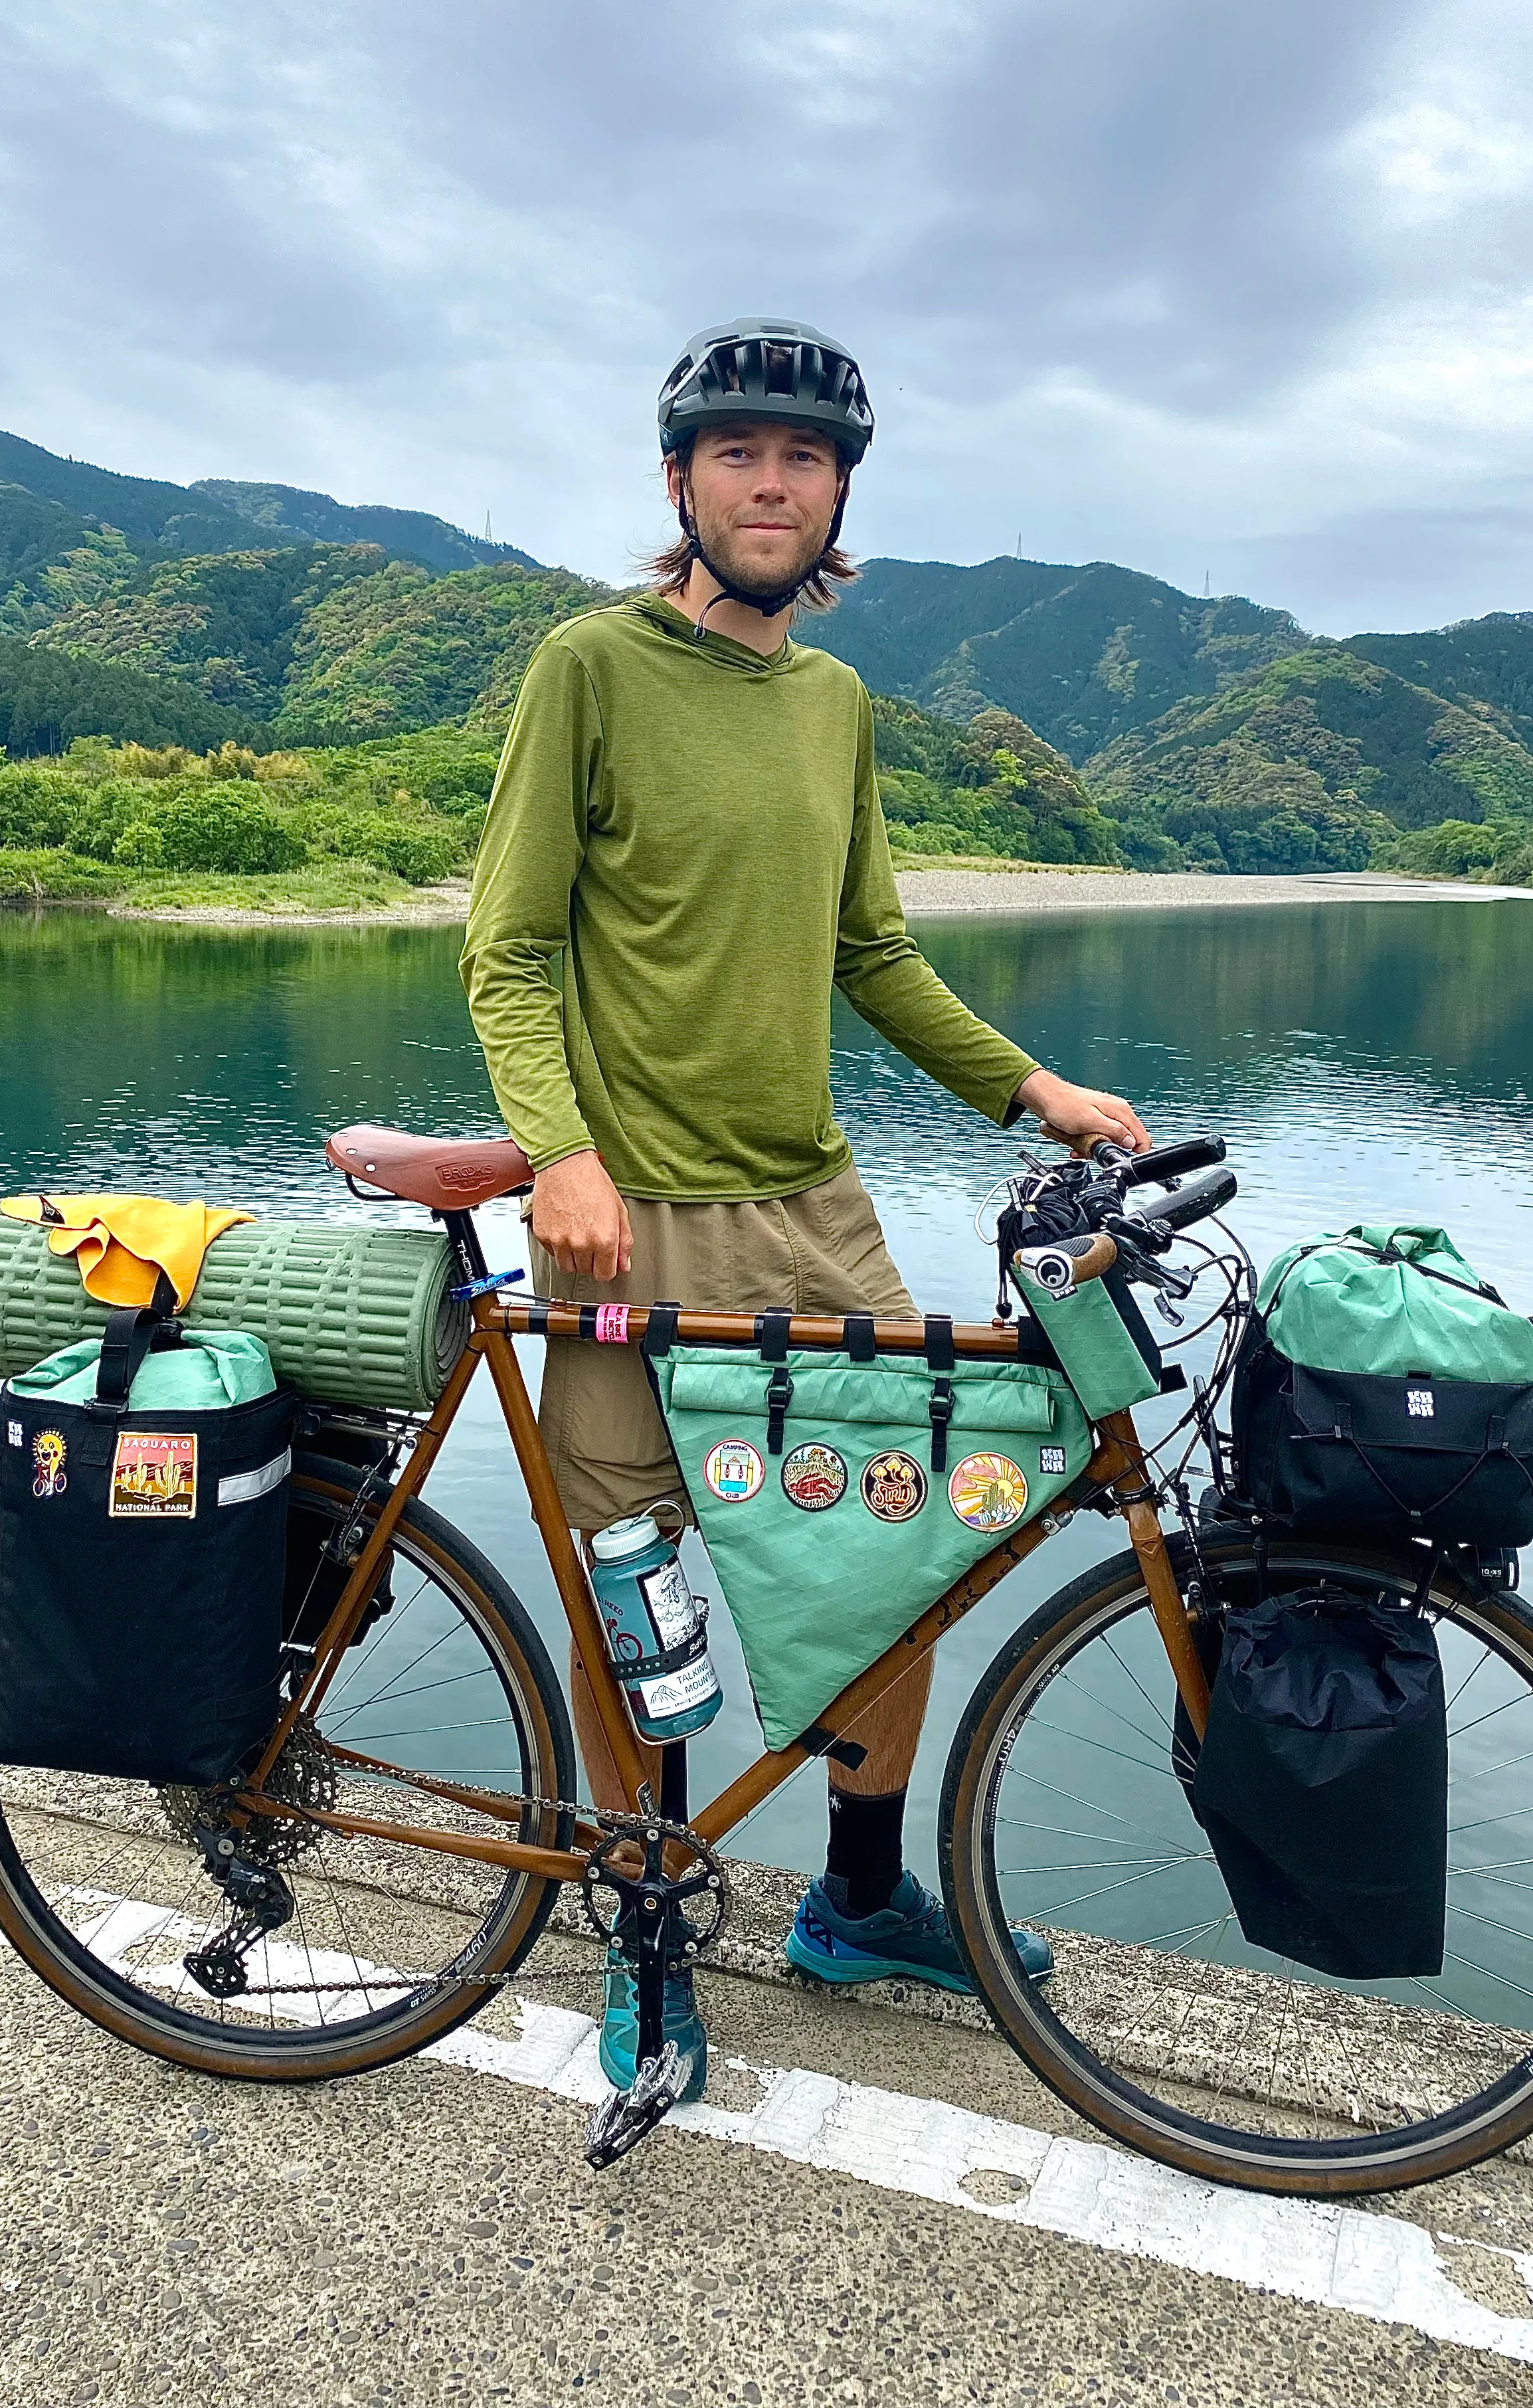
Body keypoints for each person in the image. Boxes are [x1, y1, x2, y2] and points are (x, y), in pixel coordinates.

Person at [460, 317, 1150, 2096]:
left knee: (900, 1546)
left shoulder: (836, 703)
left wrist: (1037, 1089)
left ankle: (852, 1898)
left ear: (842, 491)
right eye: (738, 454)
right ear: (680, 481)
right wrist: (565, 1155)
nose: (773, 482)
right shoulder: (588, 668)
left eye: (806, 458)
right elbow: (511, 945)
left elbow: (871, 951)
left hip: (811, 1209)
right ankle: (643, 1930)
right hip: (625, 1223)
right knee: (640, 1594)